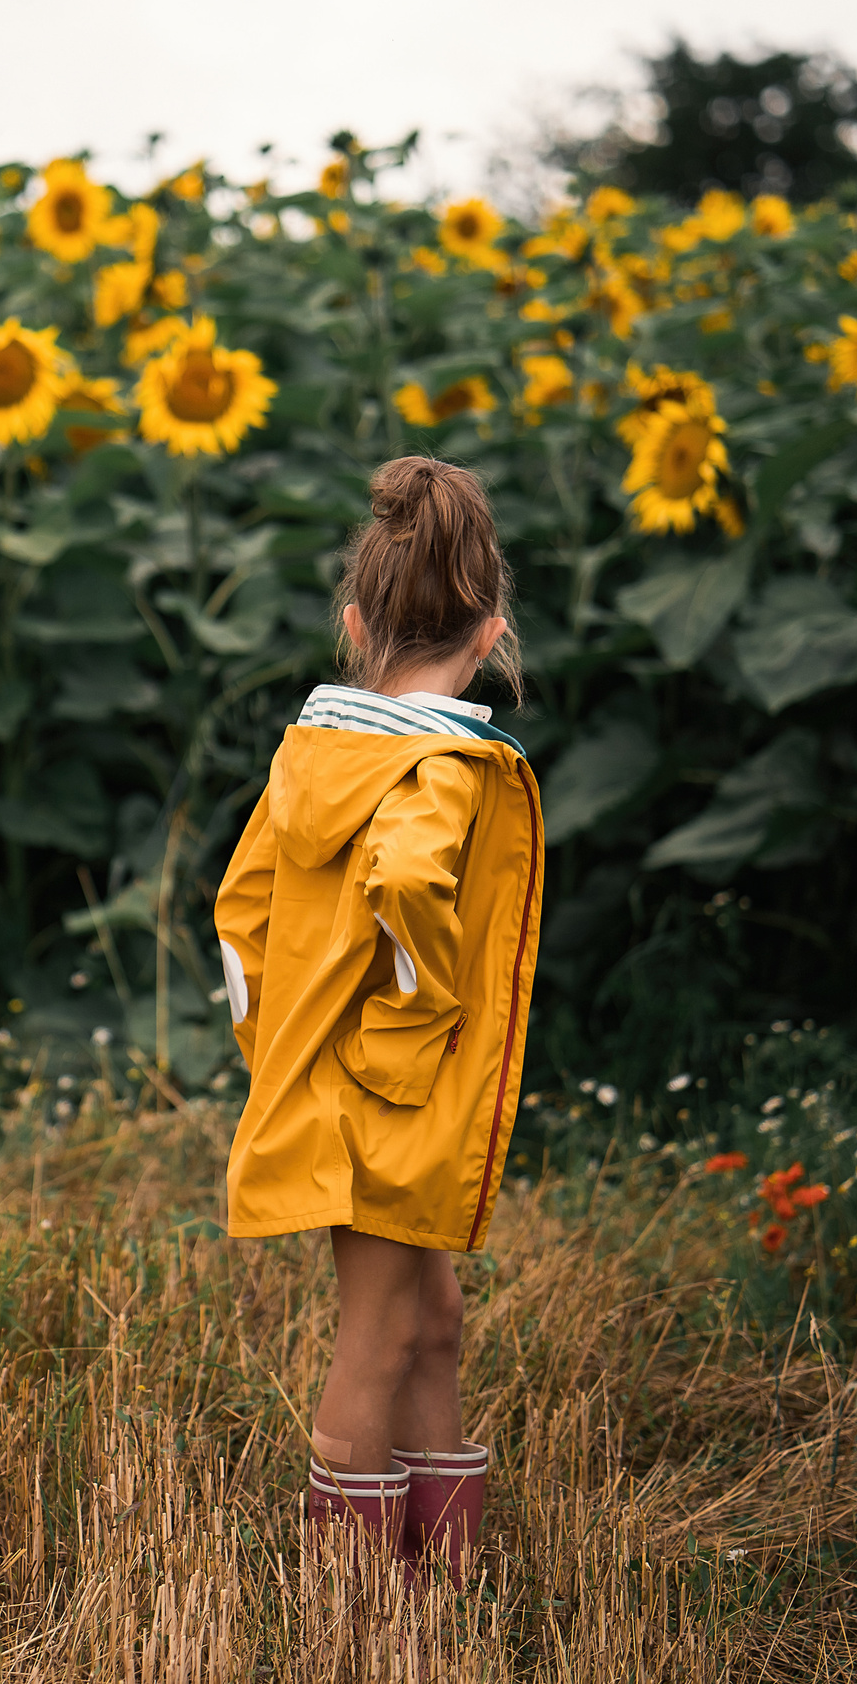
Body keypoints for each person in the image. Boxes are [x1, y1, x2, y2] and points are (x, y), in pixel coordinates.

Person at [211, 454, 544, 1585]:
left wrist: (280, 1056)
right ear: (492, 632)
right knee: (379, 1339)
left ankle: (442, 1582)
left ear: (355, 622)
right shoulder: (439, 770)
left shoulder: (317, 754)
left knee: (430, 1322)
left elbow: (239, 914)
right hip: (390, 1101)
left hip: (347, 1091)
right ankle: (352, 1607)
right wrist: (403, 1043)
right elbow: (408, 888)